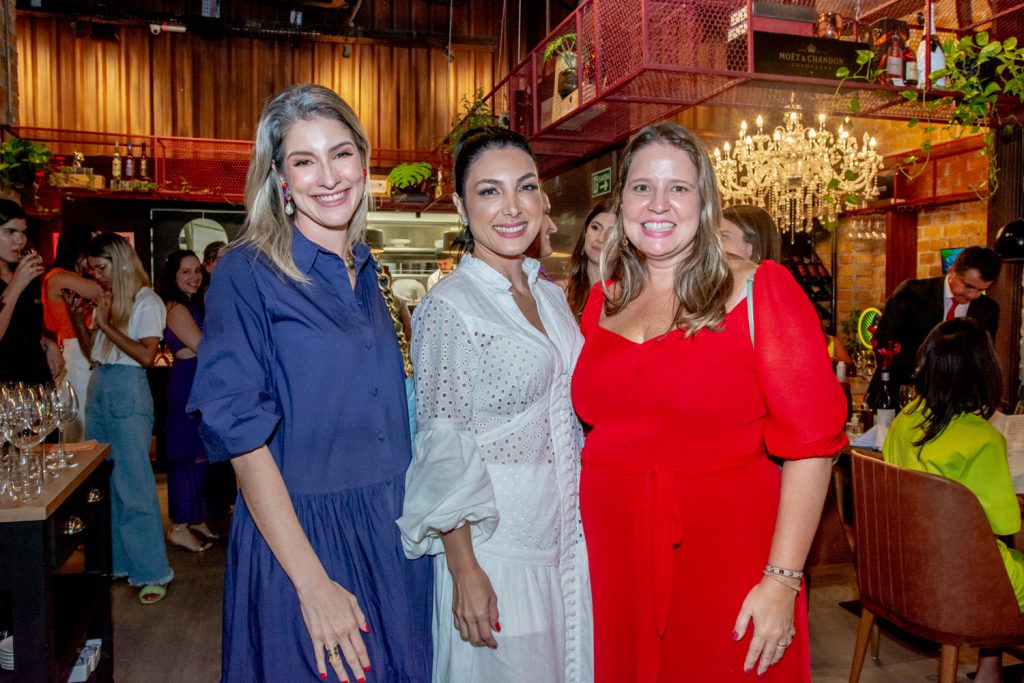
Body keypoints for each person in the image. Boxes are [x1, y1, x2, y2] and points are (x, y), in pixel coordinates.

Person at [572, 122, 847, 682]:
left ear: (704, 203)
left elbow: (813, 447)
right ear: (621, 199)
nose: (658, 204)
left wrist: (782, 578)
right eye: (642, 187)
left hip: (727, 554)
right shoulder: (603, 299)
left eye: (679, 188)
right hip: (614, 555)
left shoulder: (758, 290)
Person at [187, 84, 432, 683]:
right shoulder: (247, 273)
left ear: (364, 162)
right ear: (279, 177)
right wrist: (312, 581)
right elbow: (243, 443)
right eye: (304, 160)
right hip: (303, 540)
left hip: (393, 535)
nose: (328, 176)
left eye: (340, 153)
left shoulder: (368, 271)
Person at [398, 126, 592, 683]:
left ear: (542, 199)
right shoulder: (449, 308)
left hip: (566, 543)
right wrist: (465, 571)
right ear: (460, 206)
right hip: (497, 551)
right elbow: (443, 444)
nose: (511, 206)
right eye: (489, 191)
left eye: (525, 187)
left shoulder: (552, 296)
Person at [883, 318, 1023, 683]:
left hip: (903, 569)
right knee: (1000, 561)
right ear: (983, 370)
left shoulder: (905, 420)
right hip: (957, 580)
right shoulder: (982, 439)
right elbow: (1007, 525)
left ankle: (989, 668)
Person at [77, 232, 173, 604]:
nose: (97, 275)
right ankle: (117, 562)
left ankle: (152, 570)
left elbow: (147, 356)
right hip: (100, 383)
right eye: (92, 269)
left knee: (133, 482)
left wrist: (104, 325)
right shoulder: (110, 300)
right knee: (104, 482)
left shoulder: (145, 300)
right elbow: (92, 353)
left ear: (118, 262)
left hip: (127, 387)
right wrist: (81, 316)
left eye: (101, 267)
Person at [867, 245, 1001, 407]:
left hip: (952, 405)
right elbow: (884, 343)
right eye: (969, 286)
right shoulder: (911, 293)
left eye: (982, 290)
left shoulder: (988, 310)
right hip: (898, 396)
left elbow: (981, 359)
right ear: (952, 272)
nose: (973, 295)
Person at [157, 249, 218, 553]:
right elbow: (204, 347)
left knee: (200, 455)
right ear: (173, 276)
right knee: (186, 456)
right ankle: (179, 526)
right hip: (187, 382)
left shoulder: (192, 305)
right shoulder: (176, 309)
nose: (194, 276)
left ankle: (194, 517)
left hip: (198, 381)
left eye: (197, 271)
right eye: (186, 272)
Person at [43, 223, 104, 439]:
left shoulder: (75, 278)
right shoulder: (59, 277)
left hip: (87, 350)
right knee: (82, 426)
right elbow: (104, 290)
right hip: (77, 353)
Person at [0, 200, 62, 384]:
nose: (19, 240)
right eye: (9, 231)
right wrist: (16, 285)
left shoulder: (28, 274)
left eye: (23, 233)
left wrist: (46, 342)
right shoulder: (22, 277)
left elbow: (24, 325)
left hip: (34, 381)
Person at [564, 202, 614, 320]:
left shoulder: (630, 299)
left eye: (612, 233)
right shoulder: (560, 292)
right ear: (585, 234)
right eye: (595, 227)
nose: (601, 238)